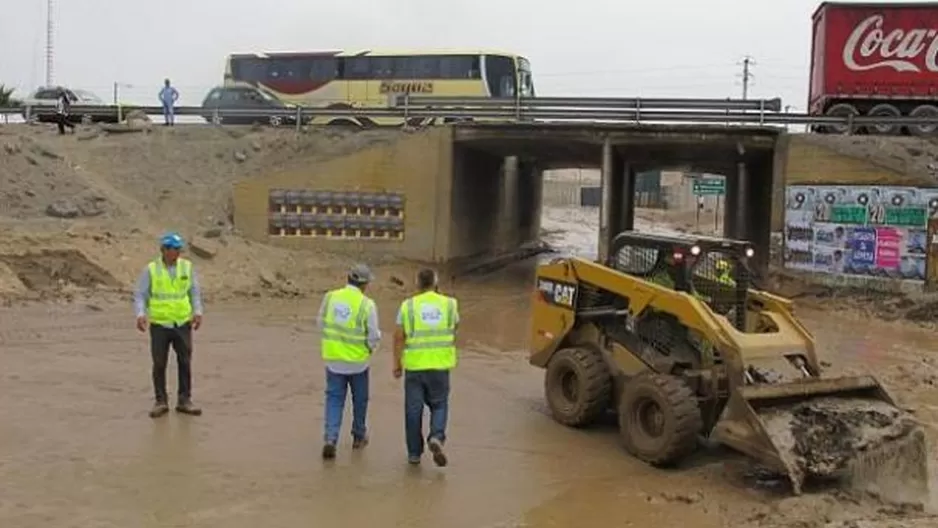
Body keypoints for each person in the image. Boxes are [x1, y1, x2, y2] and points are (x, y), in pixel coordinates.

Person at [393, 268, 459, 467]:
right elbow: (454, 327)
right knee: (439, 405)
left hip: (414, 366)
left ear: (417, 284)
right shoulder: (450, 304)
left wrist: (396, 364)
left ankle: (414, 454)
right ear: (436, 283)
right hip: (440, 365)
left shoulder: (408, 306)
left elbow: (398, 336)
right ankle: (436, 436)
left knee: (413, 411)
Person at [133, 232, 204, 418]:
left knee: (185, 362)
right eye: (173, 249)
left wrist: (198, 312)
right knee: (159, 363)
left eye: (178, 249)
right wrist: (140, 314)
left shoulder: (187, 268)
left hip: (182, 323)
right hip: (159, 324)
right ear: (163, 250)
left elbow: (194, 292)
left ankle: (184, 400)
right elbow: (140, 294)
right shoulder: (151, 269)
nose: (176, 253)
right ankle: (160, 401)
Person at [318, 264, 381, 460]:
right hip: (358, 363)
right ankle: (359, 436)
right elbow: (373, 335)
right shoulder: (367, 305)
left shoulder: (330, 297)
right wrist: (369, 349)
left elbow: (320, 323)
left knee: (334, 400)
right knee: (360, 400)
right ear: (365, 284)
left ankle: (330, 438)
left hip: (334, 361)